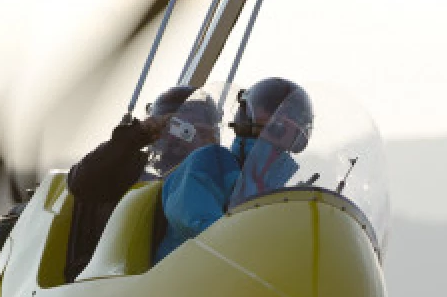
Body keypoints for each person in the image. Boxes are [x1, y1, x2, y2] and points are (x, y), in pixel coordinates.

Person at [62, 86, 221, 280]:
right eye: (174, 124)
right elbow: (81, 182)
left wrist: (210, 152)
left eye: (194, 127)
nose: (182, 133)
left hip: (185, 276)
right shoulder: (130, 167)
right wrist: (139, 133)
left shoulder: (214, 174)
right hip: (112, 277)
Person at [154, 77, 313, 263]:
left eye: (293, 116)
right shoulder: (212, 161)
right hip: (184, 279)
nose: (281, 119)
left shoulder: (282, 196)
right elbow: (193, 219)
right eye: (271, 108)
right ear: (245, 116)